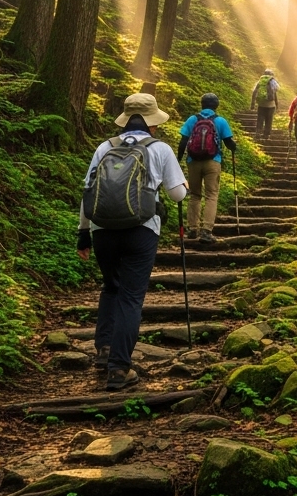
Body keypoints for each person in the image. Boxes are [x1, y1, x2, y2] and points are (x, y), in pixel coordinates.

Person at [77, 93, 187, 391]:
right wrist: (182, 185)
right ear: (153, 123)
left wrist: (83, 233)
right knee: (131, 296)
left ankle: (103, 351)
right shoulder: (160, 148)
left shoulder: (105, 147)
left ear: (125, 120)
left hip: (102, 230)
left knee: (111, 287)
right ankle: (119, 369)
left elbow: (88, 191)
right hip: (141, 231)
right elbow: (177, 195)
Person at [177, 93, 237, 244]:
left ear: (201, 104)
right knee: (211, 195)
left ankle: (192, 229)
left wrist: (178, 160)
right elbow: (229, 143)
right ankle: (206, 231)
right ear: (216, 106)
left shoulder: (193, 119)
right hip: (213, 161)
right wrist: (233, 147)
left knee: (195, 195)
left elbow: (183, 141)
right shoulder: (220, 121)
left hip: (193, 161)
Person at [251, 68, 280, 137]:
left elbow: (254, 92)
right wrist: (277, 105)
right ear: (272, 75)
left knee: (260, 119)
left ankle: (258, 133)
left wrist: (252, 104)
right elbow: (275, 94)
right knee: (269, 120)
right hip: (271, 105)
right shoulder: (273, 81)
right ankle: (266, 134)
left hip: (261, 104)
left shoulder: (260, 81)